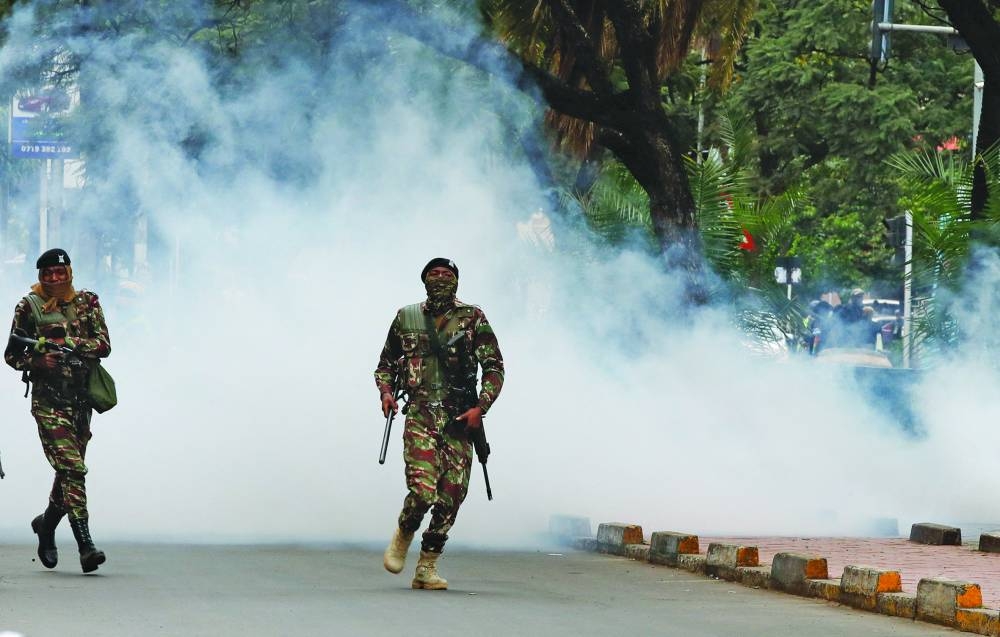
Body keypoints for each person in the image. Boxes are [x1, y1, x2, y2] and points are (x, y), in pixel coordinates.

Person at [374, 258, 504, 590]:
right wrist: (387, 392)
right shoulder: (407, 317)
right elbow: (386, 363)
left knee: (451, 494)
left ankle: (427, 565)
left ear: (457, 281)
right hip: (420, 413)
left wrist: (481, 407)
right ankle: (404, 532)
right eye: (434, 273)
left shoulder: (472, 317)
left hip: (459, 417)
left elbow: (494, 367)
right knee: (422, 490)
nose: (441, 278)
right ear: (424, 280)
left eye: (447, 274)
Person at [3, 248, 111, 573]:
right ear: (40, 276)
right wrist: (36, 360)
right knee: (73, 470)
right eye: (47, 273)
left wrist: (71, 344)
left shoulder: (88, 302)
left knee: (68, 471)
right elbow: (11, 353)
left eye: (59, 273)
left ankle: (47, 524)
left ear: (69, 273)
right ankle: (85, 545)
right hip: (49, 401)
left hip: (81, 400)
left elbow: (104, 345)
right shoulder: (28, 306)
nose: (54, 278)